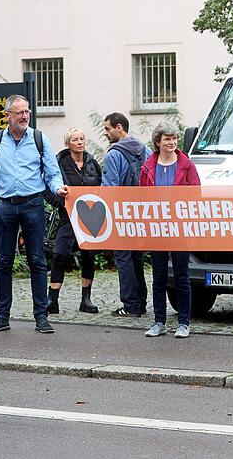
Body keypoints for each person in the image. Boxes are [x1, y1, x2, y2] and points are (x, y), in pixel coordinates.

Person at [0, 96, 68, 334]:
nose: (24, 116)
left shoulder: (39, 139)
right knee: (4, 262)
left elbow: (52, 173)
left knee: (38, 262)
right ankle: (2, 317)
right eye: (19, 112)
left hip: (33, 205)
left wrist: (58, 188)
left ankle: (41, 316)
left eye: (27, 111)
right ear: (7, 115)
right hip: (5, 207)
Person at [140, 121, 200, 338]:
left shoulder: (187, 165)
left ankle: (184, 322)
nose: (172, 142)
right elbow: (142, 199)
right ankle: (159, 322)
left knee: (182, 276)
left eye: (174, 138)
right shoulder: (147, 167)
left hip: (180, 228)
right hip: (157, 229)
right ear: (158, 142)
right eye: (167, 138)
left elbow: (196, 195)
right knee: (158, 276)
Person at [45, 127, 103, 315]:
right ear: (67, 144)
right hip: (68, 217)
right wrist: (62, 204)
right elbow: (46, 189)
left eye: (82, 139)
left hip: (89, 217)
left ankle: (86, 299)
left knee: (88, 256)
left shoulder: (92, 162)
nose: (79, 142)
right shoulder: (59, 163)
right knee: (60, 255)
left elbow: (101, 187)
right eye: (75, 140)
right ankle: (52, 299)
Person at [101, 112, 152, 317]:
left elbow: (109, 189)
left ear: (119, 127)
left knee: (123, 258)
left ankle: (130, 305)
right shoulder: (145, 150)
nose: (105, 133)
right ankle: (141, 301)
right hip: (141, 213)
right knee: (137, 258)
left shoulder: (114, 154)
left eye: (107, 128)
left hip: (121, 215)